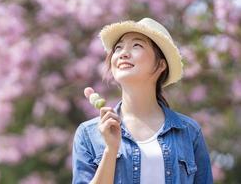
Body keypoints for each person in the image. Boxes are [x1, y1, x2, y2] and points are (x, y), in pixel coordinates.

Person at [72, 17, 213, 184]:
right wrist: (110, 150)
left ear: (161, 65)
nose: (123, 53)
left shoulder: (189, 132)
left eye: (136, 45)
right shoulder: (89, 133)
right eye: (118, 47)